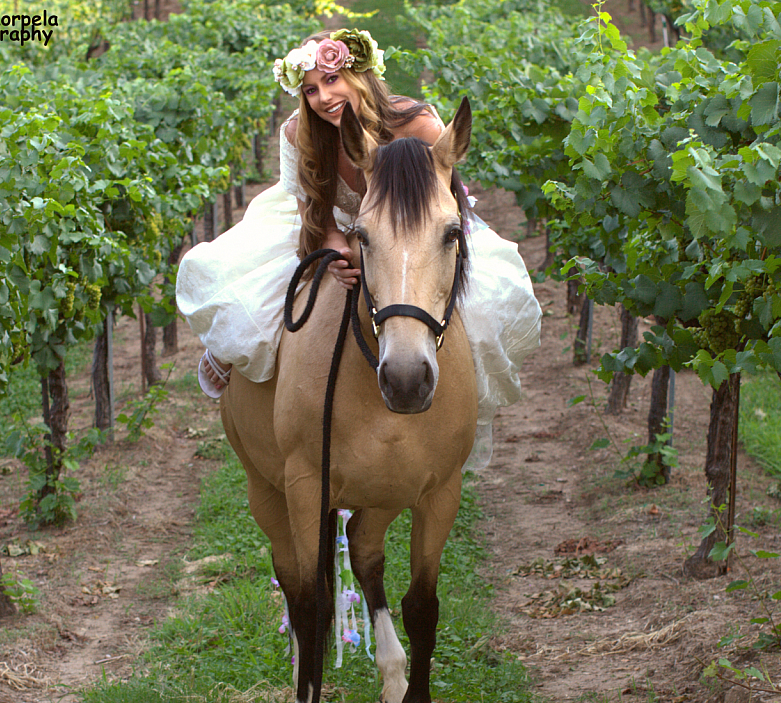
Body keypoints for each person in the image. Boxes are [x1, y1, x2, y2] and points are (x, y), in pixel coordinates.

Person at [176, 29, 541, 470]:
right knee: (255, 295)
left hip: (415, 229)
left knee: (483, 309)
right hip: (325, 222)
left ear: (360, 75)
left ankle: (462, 395)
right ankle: (235, 361)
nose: (323, 97)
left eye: (332, 80)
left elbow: (444, 205)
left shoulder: (416, 123)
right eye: (310, 89)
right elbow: (310, 208)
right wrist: (334, 247)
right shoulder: (298, 133)